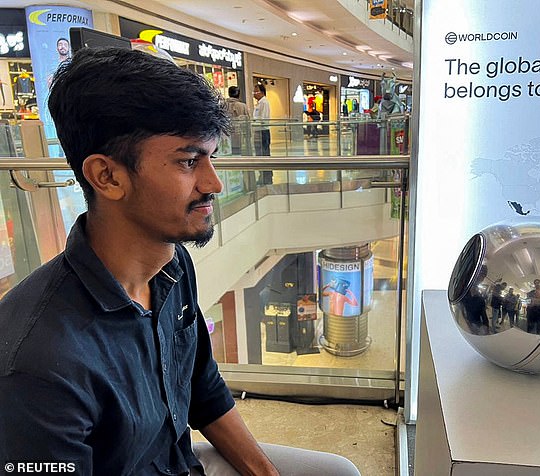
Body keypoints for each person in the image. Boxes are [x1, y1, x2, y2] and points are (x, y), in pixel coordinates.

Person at [0, 47, 360, 476]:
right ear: (107, 176)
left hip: (181, 462)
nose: (214, 182)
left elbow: (201, 387)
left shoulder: (172, 266)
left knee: (339, 472)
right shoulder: (38, 363)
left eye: (210, 157)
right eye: (188, 161)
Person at [253, 83, 272, 184]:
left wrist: (255, 121)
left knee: (263, 153)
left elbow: (263, 118)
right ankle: (263, 174)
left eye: (256, 92)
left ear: (262, 92)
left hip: (263, 131)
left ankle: (266, 175)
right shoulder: (259, 103)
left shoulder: (264, 102)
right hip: (259, 130)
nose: (254, 94)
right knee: (260, 153)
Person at [226, 85, 249, 155]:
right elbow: (248, 121)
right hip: (240, 136)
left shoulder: (223, 105)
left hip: (227, 136)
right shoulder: (243, 106)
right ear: (239, 94)